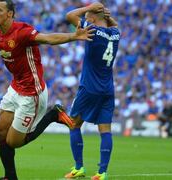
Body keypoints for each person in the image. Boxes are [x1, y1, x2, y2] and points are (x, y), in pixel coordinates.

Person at [0, 0, 94, 179]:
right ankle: (10, 177)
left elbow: (47, 38)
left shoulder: (22, 32)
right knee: (0, 131)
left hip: (32, 93)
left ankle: (53, 114)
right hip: (15, 87)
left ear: (9, 14)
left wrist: (73, 36)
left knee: (13, 142)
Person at [63, 2, 120, 180]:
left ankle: (79, 167)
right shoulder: (116, 33)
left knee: (73, 124)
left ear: (93, 18)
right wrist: (106, 14)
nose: (84, 18)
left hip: (89, 87)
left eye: (87, 17)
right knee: (105, 130)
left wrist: (89, 7)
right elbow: (114, 24)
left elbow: (70, 15)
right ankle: (102, 172)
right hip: (107, 89)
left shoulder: (93, 29)